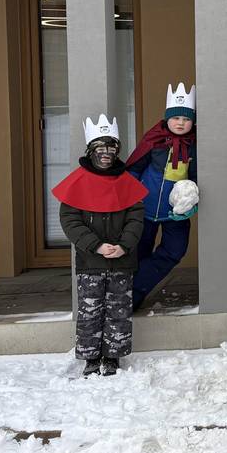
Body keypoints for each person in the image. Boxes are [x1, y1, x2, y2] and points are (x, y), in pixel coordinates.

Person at [52, 114, 147, 377]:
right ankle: (91, 358)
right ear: (90, 150)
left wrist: (124, 245)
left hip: (122, 260)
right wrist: (95, 245)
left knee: (119, 309)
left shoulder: (126, 181)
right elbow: (70, 220)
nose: (106, 154)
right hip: (90, 261)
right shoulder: (77, 182)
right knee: (90, 310)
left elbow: (136, 218)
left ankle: (113, 355)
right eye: (100, 148)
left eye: (111, 148)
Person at [125, 82, 198, 311]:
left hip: (174, 213)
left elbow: (197, 179)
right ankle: (131, 301)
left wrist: (190, 205)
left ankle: (130, 290)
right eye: (176, 118)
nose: (180, 123)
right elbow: (134, 169)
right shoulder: (154, 140)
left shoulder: (195, 145)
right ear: (167, 119)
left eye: (186, 119)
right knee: (138, 253)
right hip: (143, 211)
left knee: (174, 251)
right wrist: (132, 199)